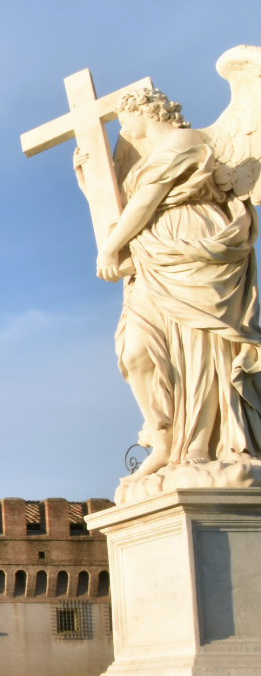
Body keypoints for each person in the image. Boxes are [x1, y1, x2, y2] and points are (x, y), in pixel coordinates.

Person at [84, 86, 261, 482]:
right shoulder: (148, 160)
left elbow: (148, 200)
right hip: (154, 253)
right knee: (135, 352)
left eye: (124, 119)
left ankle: (199, 443)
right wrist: (89, 184)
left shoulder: (185, 141)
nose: (123, 128)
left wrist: (111, 250)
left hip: (192, 244)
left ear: (145, 110)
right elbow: (132, 208)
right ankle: (165, 442)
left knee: (199, 348)